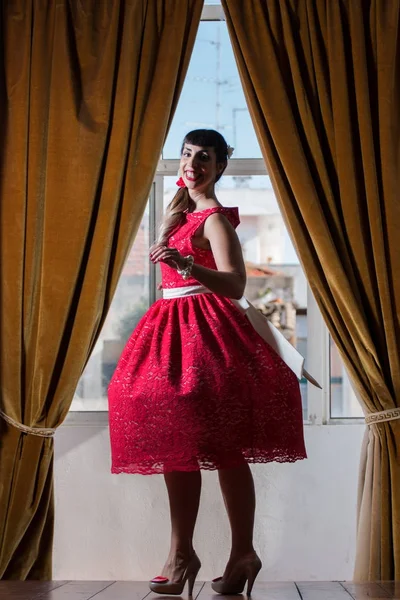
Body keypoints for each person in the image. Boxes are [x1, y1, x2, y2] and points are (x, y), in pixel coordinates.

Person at [108, 129, 307, 596]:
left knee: (219, 445)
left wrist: (185, 264)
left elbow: (237, 285)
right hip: (171, 327)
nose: (192, 163)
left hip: (205, 334)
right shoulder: (180, 215)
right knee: (173, 432)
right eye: (187, 154)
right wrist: (177, 259)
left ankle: (232, 552)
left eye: (204, 157)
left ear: (219, 168)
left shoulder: (215, 219)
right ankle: (191, 552)